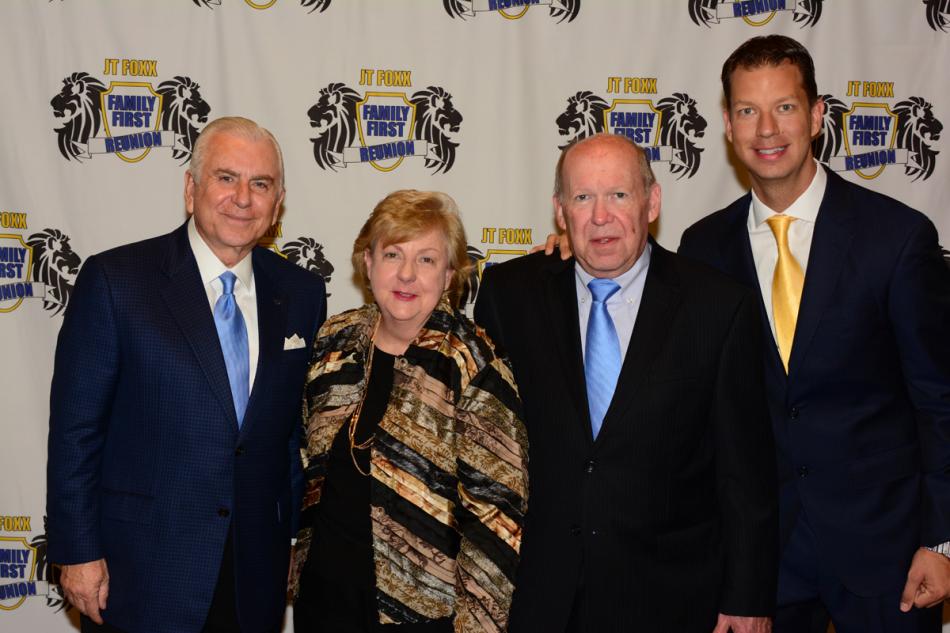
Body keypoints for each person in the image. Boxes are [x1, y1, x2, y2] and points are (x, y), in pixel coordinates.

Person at [678, 35, 950, 633]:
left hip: (887, 553)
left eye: (785, 107)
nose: (766, 129)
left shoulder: (896, 237)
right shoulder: (701, 249)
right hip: (763, 560)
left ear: (818, 114)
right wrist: (565, 263)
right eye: (748, 110)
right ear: (727, 124)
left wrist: (942, 539)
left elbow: (938, 400)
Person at [474, 133, 777, 633]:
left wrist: (747, 597)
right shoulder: (510, 295)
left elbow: (745, 472)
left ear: (652, 202)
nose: (600, 216)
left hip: (673, 598)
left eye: (618, 194)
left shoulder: (718, 307)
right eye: (582, 197)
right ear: (560, 211)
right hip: (539, 596)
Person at [47, 116, 327, 633]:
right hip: (141, 570)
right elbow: (75, 431)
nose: (242, 198)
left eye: (260, 184)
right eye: (226, 178)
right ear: (190, 187)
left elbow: (288, 433)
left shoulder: (302, 293)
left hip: (255, 573)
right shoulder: (116, 281)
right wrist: (77, 550)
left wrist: (292, 537)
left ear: (278, 202)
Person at [289, 189, 528, 633]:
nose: (406, 274)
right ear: (367, 262)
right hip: (323, 601)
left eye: (426, 259)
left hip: (424, 617)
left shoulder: (473, 363)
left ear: (449, 274)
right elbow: (307, 460)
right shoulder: (336, 340)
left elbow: (497, 520)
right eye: (393, 254)